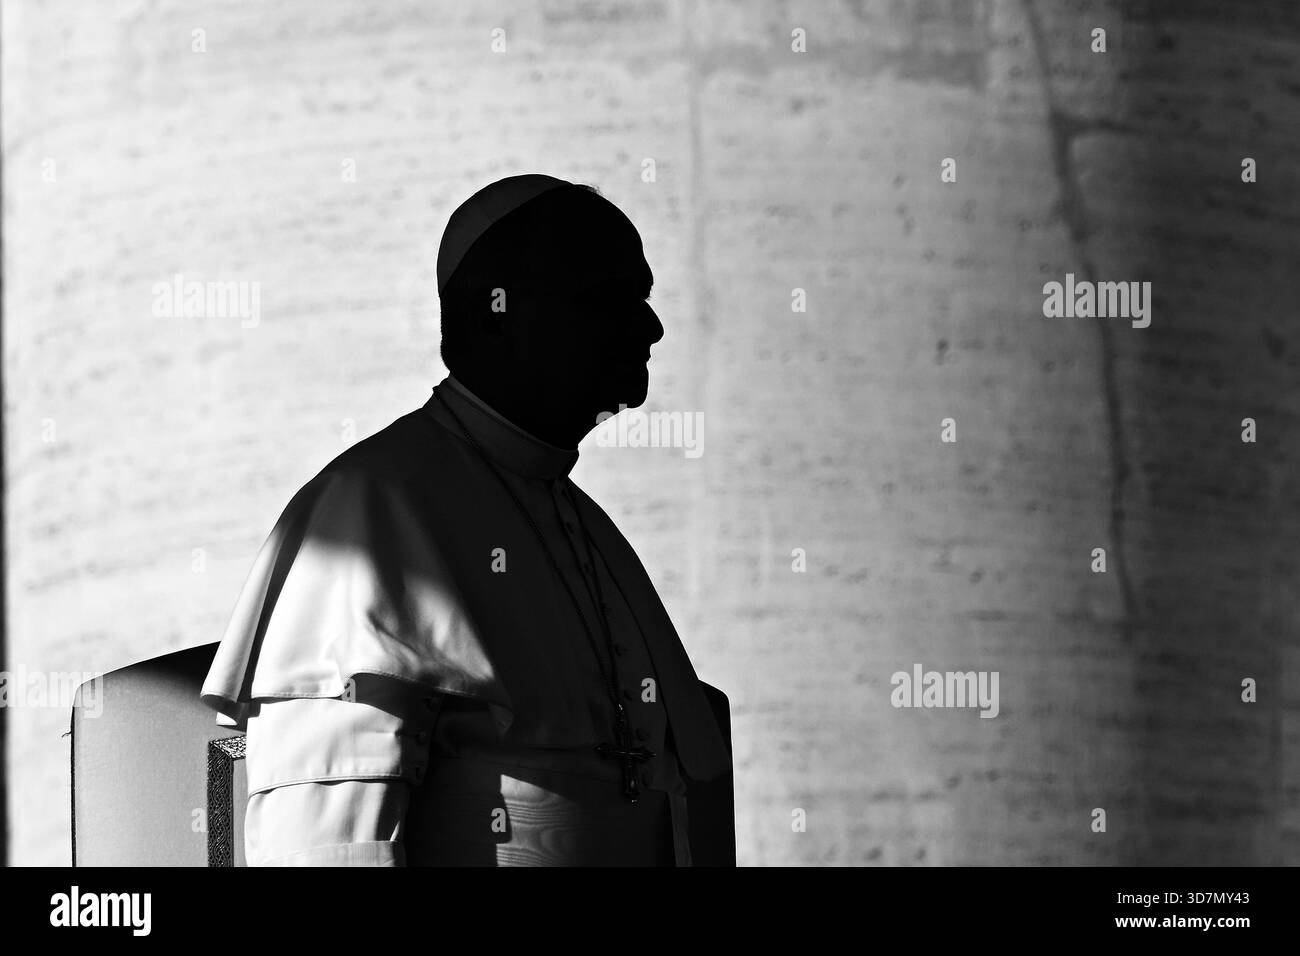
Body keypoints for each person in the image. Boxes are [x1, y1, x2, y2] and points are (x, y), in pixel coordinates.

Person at [200, 174, 731, 866]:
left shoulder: (586, 526)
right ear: (496, 312)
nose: (651, 327)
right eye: (611, 296)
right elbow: (330, 844)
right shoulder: (373, 510)